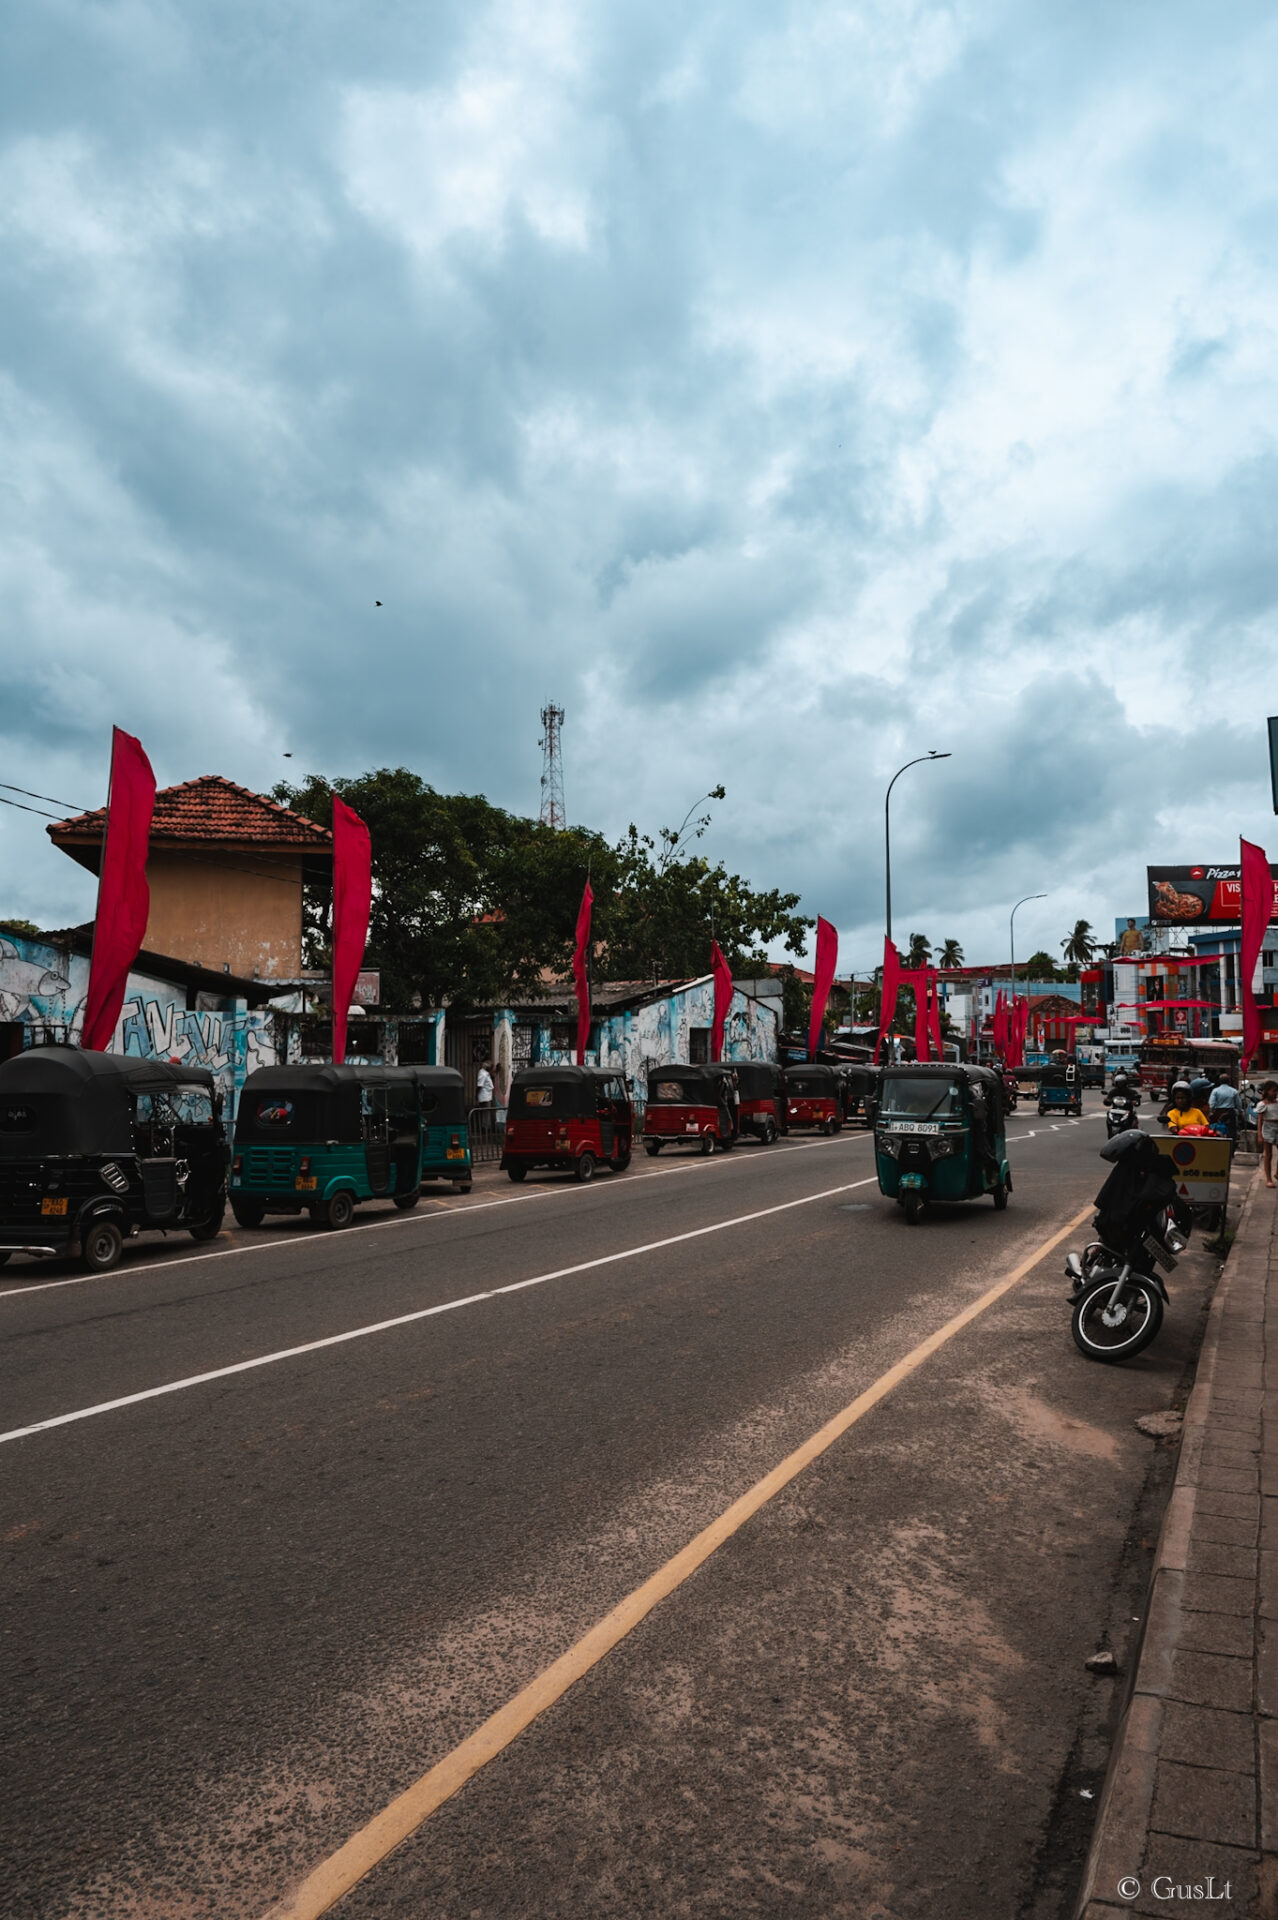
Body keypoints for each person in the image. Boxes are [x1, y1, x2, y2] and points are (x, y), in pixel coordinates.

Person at [1208, 1074, 1243, 1143]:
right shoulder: (1234, 1091)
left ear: (1219, 1081)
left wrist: (1211, 1113)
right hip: (1230, 1113)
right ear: (1229, 1081)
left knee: (1217, 1130)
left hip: (1218, 1113)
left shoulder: (1215, 1091)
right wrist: (1240, 1113)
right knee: (1231, 1132)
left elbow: (1211, 1104)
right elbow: (1239, 1104)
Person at [1256, 1081, 1278, 1187]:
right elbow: (1259, 1121)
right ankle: (1268, 1179)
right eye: (1273, 1091)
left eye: (1276, 1091)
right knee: (1268, 1155)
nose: (1275, 1093)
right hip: (1268, 1129)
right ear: (1267, 1091)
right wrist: (1259, 1135)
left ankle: (1277, 1173)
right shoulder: (1262, 1104)